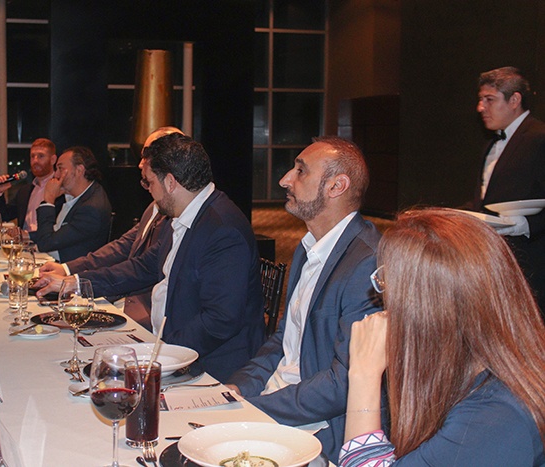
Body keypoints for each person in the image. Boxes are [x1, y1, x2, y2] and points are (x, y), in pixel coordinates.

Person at [40, 133, 265, 382]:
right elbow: (141, 267)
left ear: (170, 182)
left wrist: (160, 354)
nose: (149, 191)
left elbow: (220, 321)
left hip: (209, 367)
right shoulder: (181, 215)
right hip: (170, 348)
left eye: (149, 183)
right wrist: (76, 283)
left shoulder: (222, 230)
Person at [339, 208, 545, 466]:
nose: (384, 300)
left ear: (429, 312)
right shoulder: (483, 371)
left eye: (387, 284)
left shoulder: (495, 419)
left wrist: (363, 374)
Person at [226, 136, 384, 463]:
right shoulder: (307, 247)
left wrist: (253, 409)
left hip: (318, 430)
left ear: (336, 186)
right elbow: (284, 340)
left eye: (300, 171)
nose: (285, 179)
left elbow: (345, 382)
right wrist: (239, 389)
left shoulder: (368, 262)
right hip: (278, 403)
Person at [37, 126, 183, 329]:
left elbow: (143, 270)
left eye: (148, 155)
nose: (141, 163)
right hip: (123, 296)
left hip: (146, 309)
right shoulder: (154, 206)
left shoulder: (176, 210)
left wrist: (76, 282)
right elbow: (122, 246)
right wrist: (67, 270)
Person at [473, 66, 545, 316]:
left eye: (489, 100)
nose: (480, 107)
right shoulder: (490, 144)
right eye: (480, 100)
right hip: (496, 261)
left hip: (532, 266)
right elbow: (486, 202)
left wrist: (525, 224)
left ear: (514, 100)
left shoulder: (540, 138)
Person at [32, 146, 112, 263]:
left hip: (69, 269)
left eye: (60, 169)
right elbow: (57, 232)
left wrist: (48, 200)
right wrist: (27, 236)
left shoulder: (91, 208)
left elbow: (46, 243)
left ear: (79, 170)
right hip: (54, 260)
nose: (56, 175)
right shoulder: (82, 195)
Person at [0, 137, 63, 233]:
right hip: (23, 241)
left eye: (41, 156)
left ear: (53, 159)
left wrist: (27, 235)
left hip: (47, 241)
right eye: (32, 156)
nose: (35, 161)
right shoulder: (25, 191)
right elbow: (5, 216)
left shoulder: (62, 189)